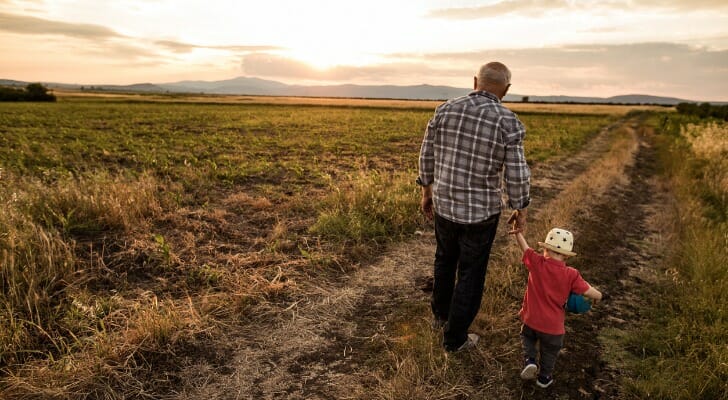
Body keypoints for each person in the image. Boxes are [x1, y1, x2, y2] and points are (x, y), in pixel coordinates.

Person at [417, 61, 531, 352]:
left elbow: (426, 153)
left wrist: (426, 190)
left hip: (445, 205)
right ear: (506, 90)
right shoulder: (508, 121)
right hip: (481, 213)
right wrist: (521, 208)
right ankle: (455, 339)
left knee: (444, 260)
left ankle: (440, 318)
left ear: (474, 81)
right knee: (471, 272)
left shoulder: (445, 110)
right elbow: (517, 173)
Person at [509, 216, 603, 388]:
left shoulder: (537, 263)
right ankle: (544, 377)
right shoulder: (571, 274)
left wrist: (518, 234)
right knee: (550, 352)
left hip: (531, 319)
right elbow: (588, 291)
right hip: (553, 328)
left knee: (527, 337)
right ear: (566, 256)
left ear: (545, 249)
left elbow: (526, 249)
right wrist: (599, 296)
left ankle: (530, 360)